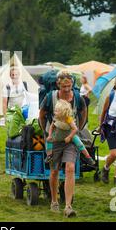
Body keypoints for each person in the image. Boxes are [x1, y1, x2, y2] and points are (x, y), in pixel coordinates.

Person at [38, 70, 87, 217]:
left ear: (72, 83)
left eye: (69, 86)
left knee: (70, 168)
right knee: (54, 170)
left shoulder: (78, 97)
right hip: (55, 139)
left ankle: (68, 206)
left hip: (71, 138)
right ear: (58, 84)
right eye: (64, 86)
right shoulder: (50, 97)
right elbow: (41, 114)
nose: (66, 89)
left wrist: (79, 128)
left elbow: (84, 112)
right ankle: (54, 201)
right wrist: (46, 132)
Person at [45, 99, 96, 166]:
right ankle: (49, 155)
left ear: (63, 112)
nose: (54, 112)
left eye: (57, 110)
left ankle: (87, 157)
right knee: (48, 141)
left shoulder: (68, 119)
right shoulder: (55, 118)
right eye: (55, 110)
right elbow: (51, 127)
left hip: (69, 135)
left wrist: (70, 137)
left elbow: (75, 129)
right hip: (58, 136)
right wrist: (50, 135)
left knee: (79, 143)